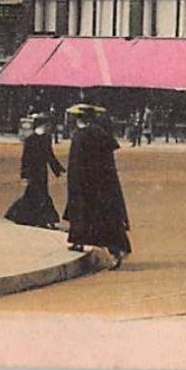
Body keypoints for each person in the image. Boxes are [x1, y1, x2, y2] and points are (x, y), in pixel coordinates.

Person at [62, 103, 131, 266]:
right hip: (103, 183)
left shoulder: (79, 136)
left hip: (83, 183)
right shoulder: (101, 134)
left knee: (81, 214)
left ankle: (78, 242)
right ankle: (116, 250)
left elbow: (76, 164)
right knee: (105, 218)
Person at [4, 114, 65, 229]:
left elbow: (49, 155)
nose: (49, 127)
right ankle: (39, 218)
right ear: (42, 125)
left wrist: (58, 169)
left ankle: (29, 217)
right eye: (47, 125)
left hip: (42, 170)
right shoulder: (30, 139)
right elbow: (25, 158)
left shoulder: (46, 138)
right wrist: (25, 174)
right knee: (37, 194)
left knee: (38, 193)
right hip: (33, 171)